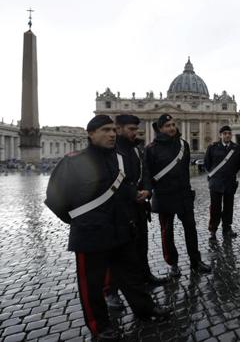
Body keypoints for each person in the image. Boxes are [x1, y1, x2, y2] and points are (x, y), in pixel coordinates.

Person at [45, 115, 170, 341]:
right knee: (92, 286)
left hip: (121, 229)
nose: (112, 134)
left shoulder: (118, 158)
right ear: (91, 134)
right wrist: (79, 221)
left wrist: (136, 195)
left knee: (132, 277)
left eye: (113, 130)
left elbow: (123, 188)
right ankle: (99, 326)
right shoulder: (73, 161)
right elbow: (54, 199)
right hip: (90, 235)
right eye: (105, 130)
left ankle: (145, 310)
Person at [103, 115, 170, 310]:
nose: (135, 133)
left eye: (136, 130)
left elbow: (146, 173)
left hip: (140, 205)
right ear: (119, 128)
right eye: (131, 129)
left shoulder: (137, 149)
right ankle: (111, 291)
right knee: (117, 251)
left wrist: (148, 190)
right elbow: (112, 178)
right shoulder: (111, 150)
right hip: (120, 207)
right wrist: (134, 193)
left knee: (142, 243)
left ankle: (145, 275)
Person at [145, 114, 212, 278]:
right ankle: (173, 263)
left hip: (183, 194)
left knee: (191, 229)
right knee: (167, 233)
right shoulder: (151, 148)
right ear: (160, 128)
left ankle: (196, 261)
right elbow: (147, 173)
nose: (172, 128)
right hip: (164, 196)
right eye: (167, 125)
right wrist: (147, 191)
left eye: (173, 124)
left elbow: (184, 170)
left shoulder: (184, 145)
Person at [204, 125, 240, 241]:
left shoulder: (236, 148)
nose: (227, 135)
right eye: (225, 133)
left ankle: (227, 228)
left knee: (228, 207)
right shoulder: (212, 147)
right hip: (216, 183)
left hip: (229, 182)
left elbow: (238, 164)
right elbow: (207, 163)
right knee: (215, 207)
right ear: (220, 135)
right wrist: (215, 175)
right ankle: (213, 230)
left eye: (229, 133)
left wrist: (230, 174)